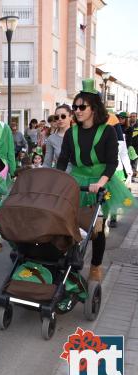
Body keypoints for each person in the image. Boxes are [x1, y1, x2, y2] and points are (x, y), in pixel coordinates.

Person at [56, 79, 135, 283]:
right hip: (77, 181)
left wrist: (100, 183)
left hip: (100, 182)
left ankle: (96, 266)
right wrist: (57, 181)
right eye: (75, 107)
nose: (78, 110)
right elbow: (63, 160)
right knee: (70, 224)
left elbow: (111, 162)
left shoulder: (107, 131)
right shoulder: (71, 133)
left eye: (82, 106)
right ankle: (71, 262)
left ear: (93, 108)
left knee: (97, 228)